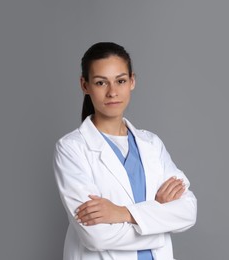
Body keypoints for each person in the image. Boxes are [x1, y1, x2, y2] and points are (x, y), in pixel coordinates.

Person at [53, 42, 197, 260]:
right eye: (101, 82)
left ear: (132, 81)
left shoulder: (152, 144)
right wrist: (158, 222)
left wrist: (123, 213)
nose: (112, 92)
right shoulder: (71, 148)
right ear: (85, 85)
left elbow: (188, 211)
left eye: (120, 81)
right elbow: (96, 237)